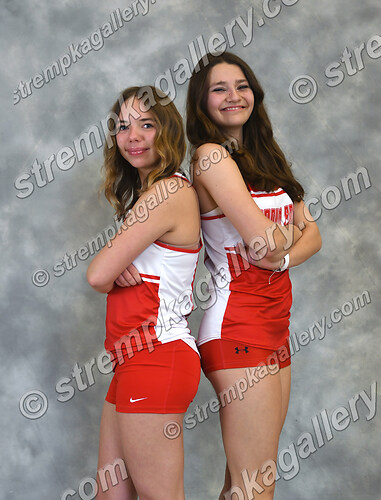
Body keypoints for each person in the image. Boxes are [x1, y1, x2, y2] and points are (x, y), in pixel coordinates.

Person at [186, 52, 322, 499]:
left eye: (241, 85)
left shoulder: (266, 157)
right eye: (219, 89)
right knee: (257, 486)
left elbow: (313, 238)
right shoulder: (209, 157)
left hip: (276, 325)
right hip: (237, 328)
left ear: (254, 93)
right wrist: (283, 239)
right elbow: (267, 241)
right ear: (202, 102)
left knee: (242, 484)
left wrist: (281, 256)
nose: (233, 96)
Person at [86, 85, 202, 500]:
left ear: (166, 131)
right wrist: (116, 267)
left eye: (146, 124)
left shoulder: (168, 192)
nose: (132, 136)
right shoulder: (148, 195)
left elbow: (98, 275)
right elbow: (108, 272)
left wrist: (114, 268)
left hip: (157, 355)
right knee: (111, 495)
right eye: (122, 126)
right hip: (131, 359)